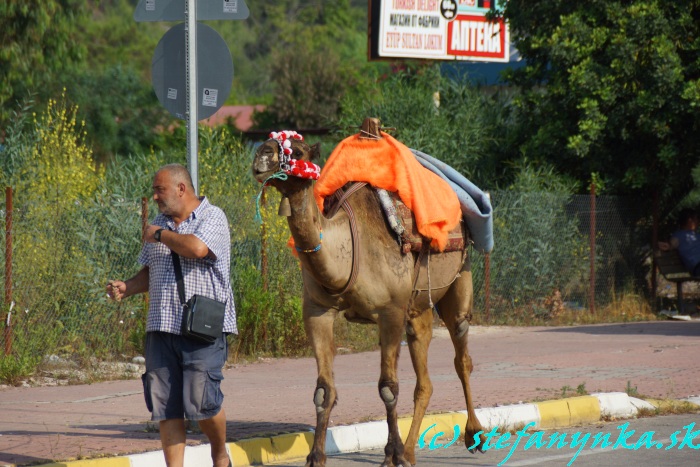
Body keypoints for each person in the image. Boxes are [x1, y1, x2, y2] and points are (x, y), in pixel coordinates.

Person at [106, 163, 237, 467]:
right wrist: (127, 287)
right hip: (161, 325)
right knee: (165, 406)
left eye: (159, 189)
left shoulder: (212, 216)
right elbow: (151, 271)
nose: (154, 197)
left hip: (202, 327)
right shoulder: (159, 223)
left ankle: (219, 453)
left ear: (181, 188)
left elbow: (197, 248)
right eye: (153, 190)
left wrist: (162, 235)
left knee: (203, 402)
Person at [659, 207, 700, 276]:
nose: (698, 222)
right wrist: (668, 246)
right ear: (690, 221)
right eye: (697, 219)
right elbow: (673, 243)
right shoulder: (679, 235)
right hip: (697, 266)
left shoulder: (697, 235)